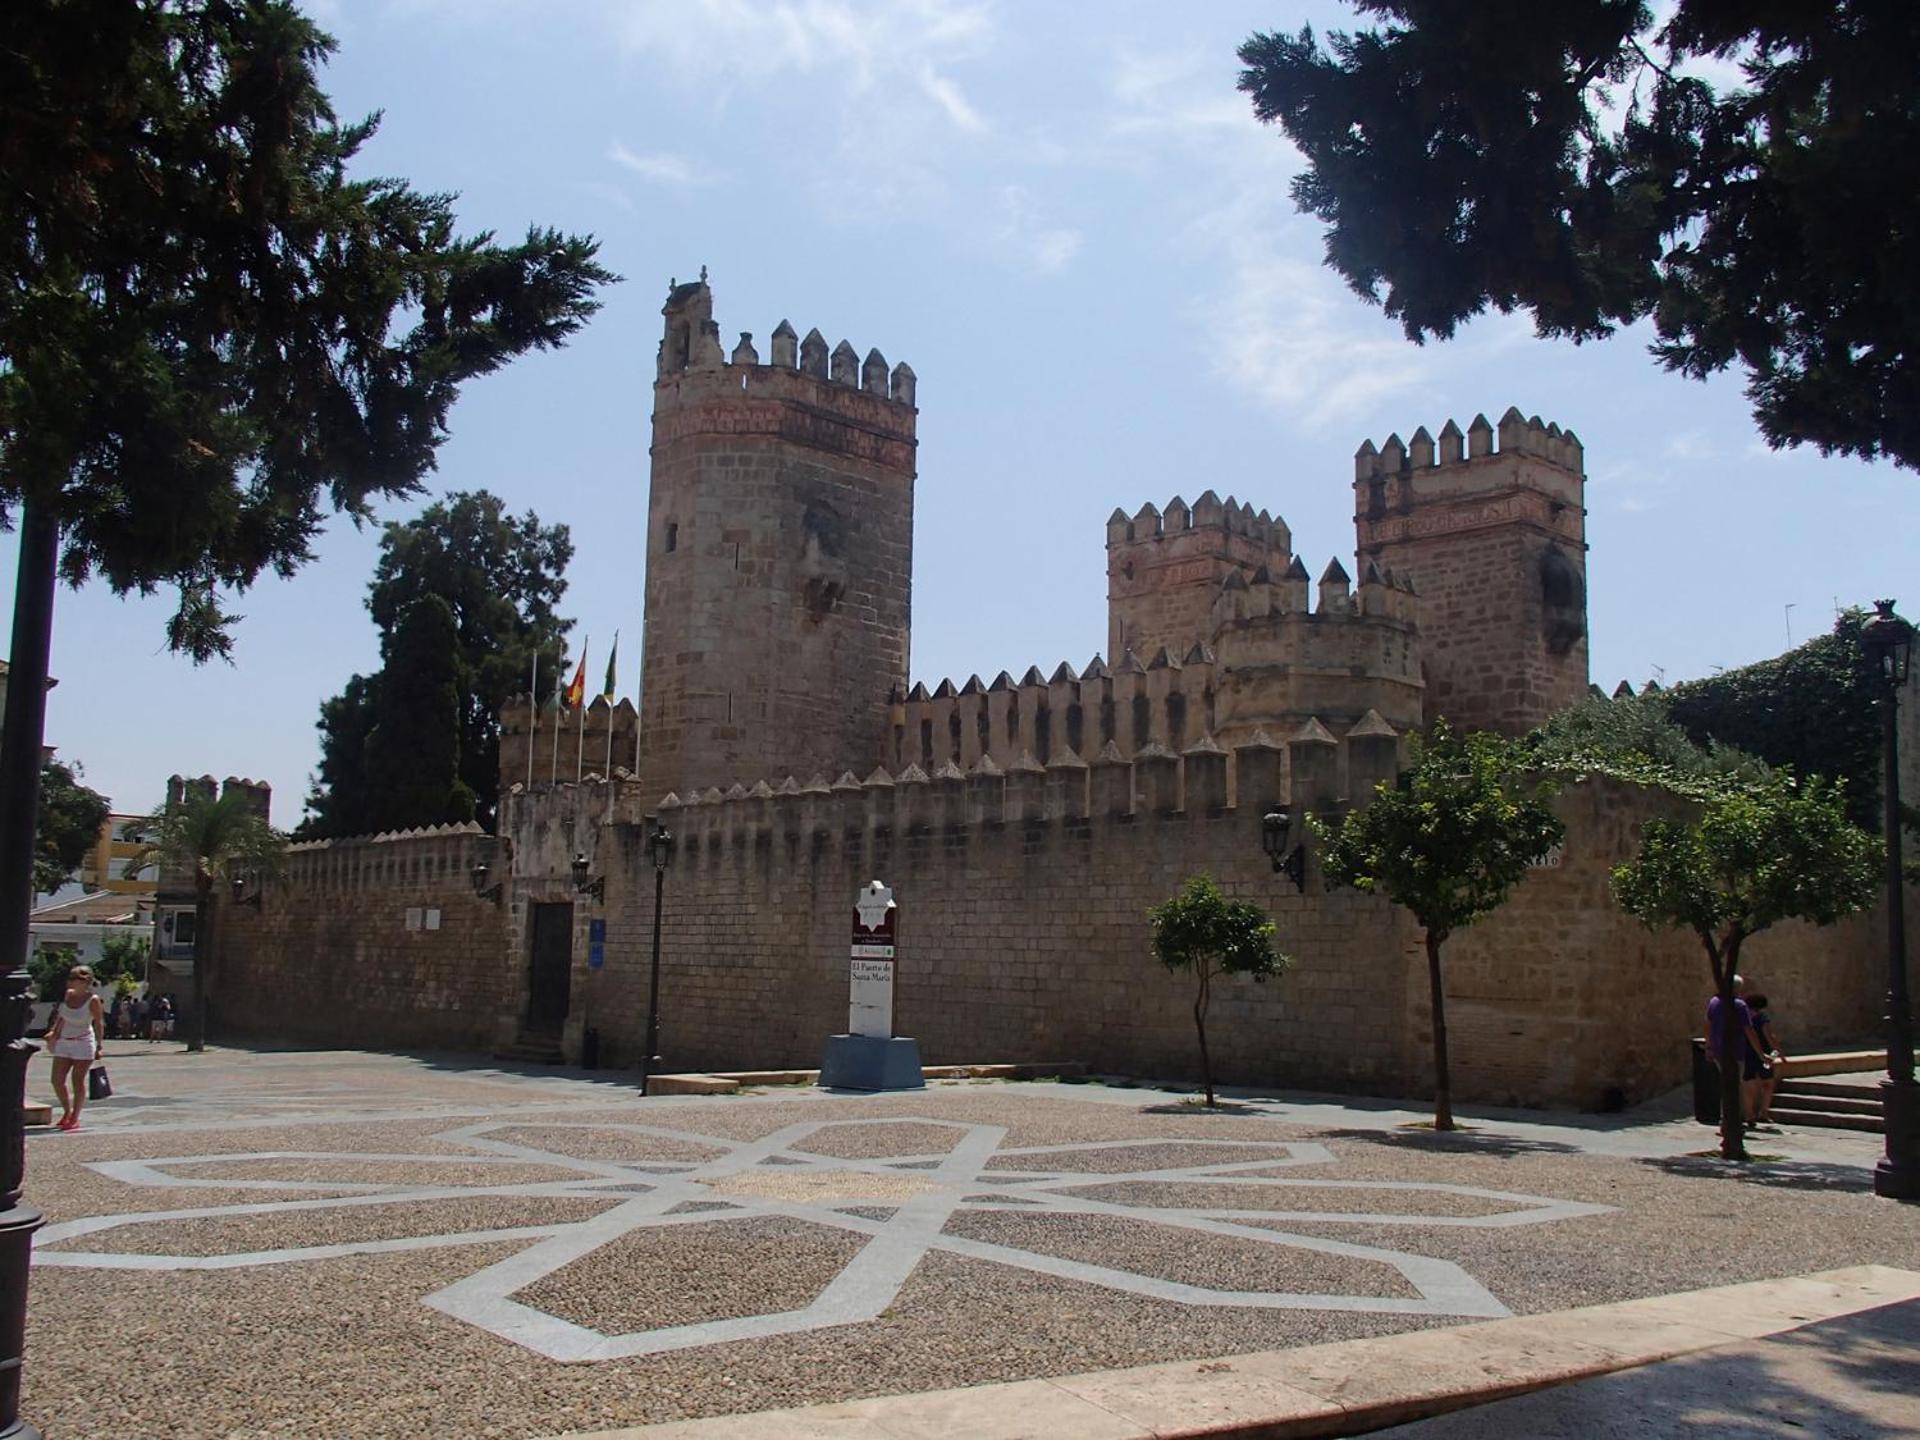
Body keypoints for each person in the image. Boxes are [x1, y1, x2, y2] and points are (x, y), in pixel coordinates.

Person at [45, 965, 105, 1132]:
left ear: (85, 982)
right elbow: (61, 1017)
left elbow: (99, 1023)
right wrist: (53, 1032)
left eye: (74, 978)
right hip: (65, 1040)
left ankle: (75, 1117)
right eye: (70, 978)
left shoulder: (92, 999)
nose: (70, 981)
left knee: (77, 1080)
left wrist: (99, 1046)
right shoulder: (67, 995)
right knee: (57, 1079)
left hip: (83, 1042)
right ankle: (66, 1111)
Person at [1704, 974, 1768, 1125]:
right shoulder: (1740, 1005)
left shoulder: (1714, 1002)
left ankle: (1730, 1119)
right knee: (1735, 1086)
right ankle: (1733, 1119)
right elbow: (1749, 1031)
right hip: (1735, 1051)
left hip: (1719, 1050)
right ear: (1738, 989)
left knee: (1728, 1084)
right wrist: (1761, 1054)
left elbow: (1708, 1025)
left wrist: (1709, 1046)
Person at [1747, 993, 1785, 1124]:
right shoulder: (1762, 1017)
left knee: (1749, 1084)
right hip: (1764, 1054)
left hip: (1746, 1053)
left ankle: (1749, 1115)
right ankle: (1763, 1112)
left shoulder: (1743, 1016)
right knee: (1768, 1083)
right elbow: (1769, 1036)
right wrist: (1780, 1052)